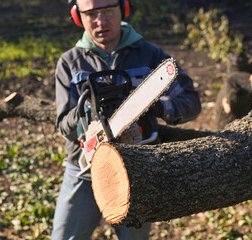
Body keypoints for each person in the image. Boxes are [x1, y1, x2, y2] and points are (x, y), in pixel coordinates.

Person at [53, 0, 202, 239]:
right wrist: (89, 111)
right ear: (77, 16)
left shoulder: (150, 55)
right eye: (91, 14)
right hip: (84, 169)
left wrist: (157, 107)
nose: (101, 21)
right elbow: (63, 126)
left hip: (137, 166)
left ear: (123, 9)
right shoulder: (70, 62)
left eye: (107, 12)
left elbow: (191, 103)